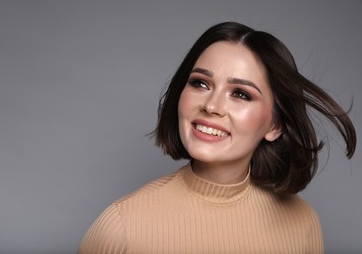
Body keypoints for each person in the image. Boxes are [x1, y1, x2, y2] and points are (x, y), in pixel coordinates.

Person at [77, 22, 356, 253]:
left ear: (275, 126)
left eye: (241, 94)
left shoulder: (303, 224)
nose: (211, 106)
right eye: (200, 83)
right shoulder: (121, 226)